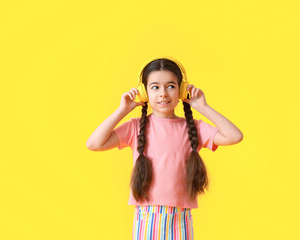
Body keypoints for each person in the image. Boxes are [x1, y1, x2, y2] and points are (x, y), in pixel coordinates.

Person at [86, 57, 243, 240]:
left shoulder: (194, 128)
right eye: (155, 87)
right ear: (144, 92)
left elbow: (235, 136)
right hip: (147, 217)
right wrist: (122, 111)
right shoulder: (135, 127)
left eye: (170, 86)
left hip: (181, 218)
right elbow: (94, 144)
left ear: (181, 90)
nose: (163, 93)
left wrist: (203, 107)